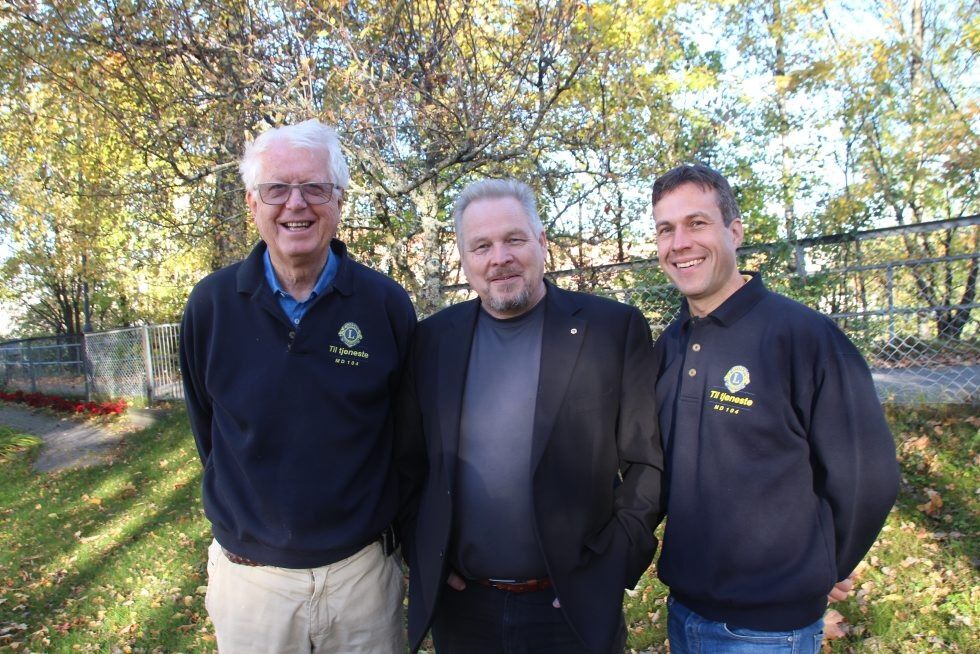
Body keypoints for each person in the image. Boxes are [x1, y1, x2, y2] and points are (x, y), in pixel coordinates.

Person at [396, 178, 664, 654]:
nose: (499, 257)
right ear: (464, 257)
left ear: (541, 243)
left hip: (572, 608)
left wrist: (613, 562)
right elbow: (408, 466)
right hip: (464, 609)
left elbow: (646, 461)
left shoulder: (611, 329)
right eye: (481, 245)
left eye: (514, 239)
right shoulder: (433, 340)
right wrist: (427, 552)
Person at [179, 119, 415, 653]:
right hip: (251, 586)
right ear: (252, 202)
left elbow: (406, 439)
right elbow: (208, 431)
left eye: (315, 188)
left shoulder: (384, 306)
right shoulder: (210, 307)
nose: (296, 204)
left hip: (362, 581)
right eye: (277, 189)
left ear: (339, 200)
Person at [650, 163, 899, 653]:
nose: (680, 242)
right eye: (666, 229)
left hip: (767, 631)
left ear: (734, 231)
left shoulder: (802, 337)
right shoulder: (671, 345)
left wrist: (826, 565)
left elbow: (868, 475)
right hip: (683, 611)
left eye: (697, 223)